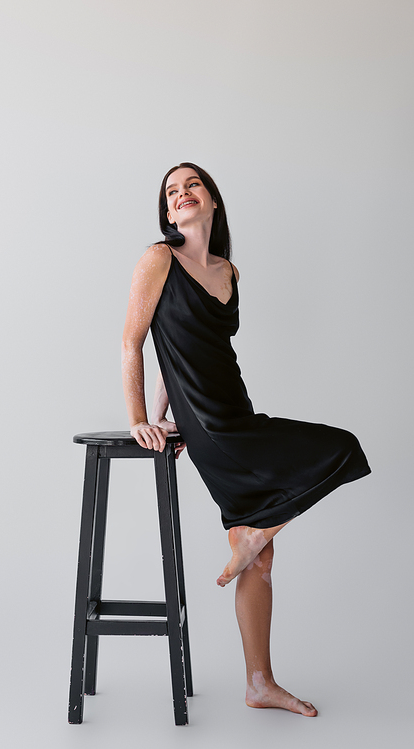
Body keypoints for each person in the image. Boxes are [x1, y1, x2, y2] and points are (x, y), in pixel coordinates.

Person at [121, 162, 371, 717]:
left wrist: (166, 413)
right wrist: (144, 418)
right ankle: (253, 535)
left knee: (262, 559)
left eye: (193, 185)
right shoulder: (158, 258)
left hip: (238, 412)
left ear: (212, 201)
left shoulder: (229, 272)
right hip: (211, 428)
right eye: (171, 191)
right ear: (167, 212)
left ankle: (260, 682)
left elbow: (187, 350)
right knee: (344, 447)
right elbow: (135, 342)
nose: (182, 193)